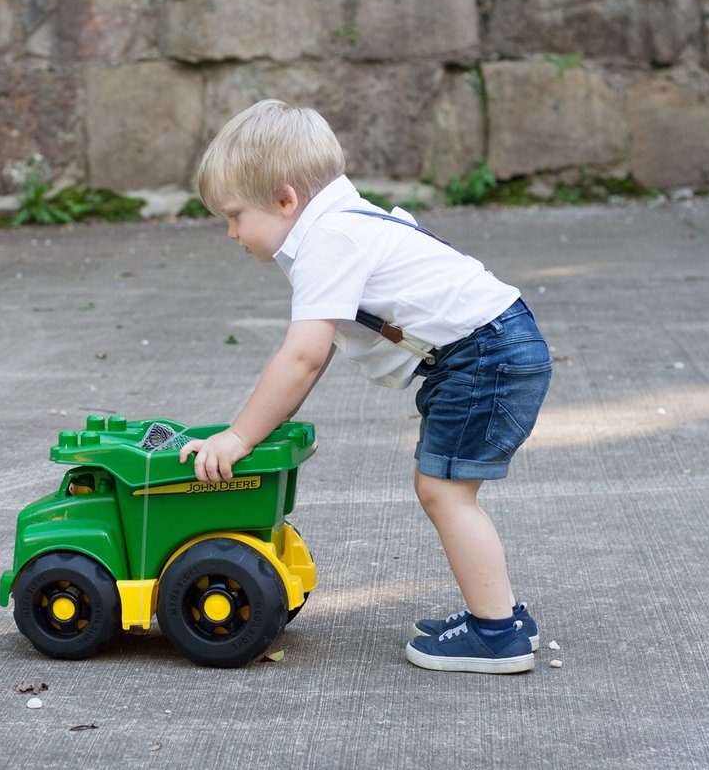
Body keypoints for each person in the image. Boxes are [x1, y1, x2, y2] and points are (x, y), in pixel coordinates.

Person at [178, 99, 552, 674]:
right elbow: (318, 350)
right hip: (490, 347)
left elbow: (302, 355)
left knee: (445, 492)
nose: (230, 233)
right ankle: (498, 613)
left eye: (233, 215)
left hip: (486, 354)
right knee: (446, 489)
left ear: (285, 199)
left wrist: (238, 436)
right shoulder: (341, 225)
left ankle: (496, 635)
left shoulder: (330, 241)